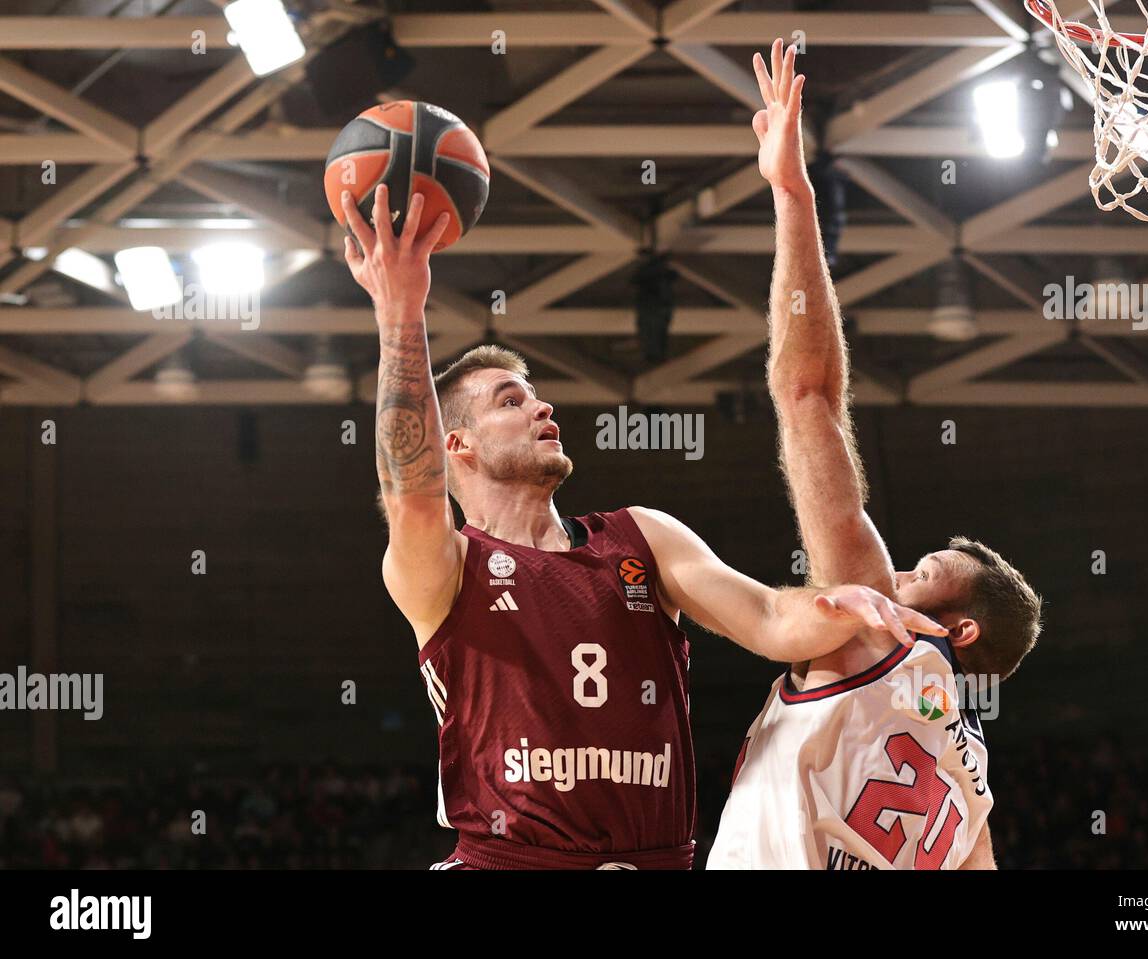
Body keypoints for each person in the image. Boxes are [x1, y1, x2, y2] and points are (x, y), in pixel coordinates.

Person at [338, 181, 947, 870]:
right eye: (512, 401)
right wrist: (400, 310)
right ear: (459, 446)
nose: (544, 411)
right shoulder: (445, 568)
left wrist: (842, 603)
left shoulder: (641, 538)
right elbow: (411, 491)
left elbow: (773, 617)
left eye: (540, 398)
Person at [708, 40, 1043, 871]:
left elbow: (809, 394)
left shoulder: (882, 635)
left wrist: (791, 194)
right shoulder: (975, 793)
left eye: (923, 572)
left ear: (956, 629)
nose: (893, 579)